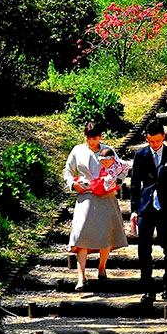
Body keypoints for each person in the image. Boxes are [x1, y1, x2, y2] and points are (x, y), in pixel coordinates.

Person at [129, 119, 167, 306]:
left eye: (157, 140)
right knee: (144, 247)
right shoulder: (140, 155)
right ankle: (147, 287)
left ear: (163, 137)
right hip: (146, 206)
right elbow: (134, 184)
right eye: (150, 141)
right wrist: (133, 210)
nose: (154, 144)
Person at [63, 122, 128, 291]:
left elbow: (121, 169)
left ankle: (102, 267)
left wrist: (117, 182)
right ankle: (81, 276)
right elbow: (67, 171)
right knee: (81, 234)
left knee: (106, 234)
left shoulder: (108, 150)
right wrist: (72, 184)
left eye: (95, 138)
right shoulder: (78, 150)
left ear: (100, 136)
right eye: (88, 138)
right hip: (85, 195)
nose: (91, 141)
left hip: (106, 196)